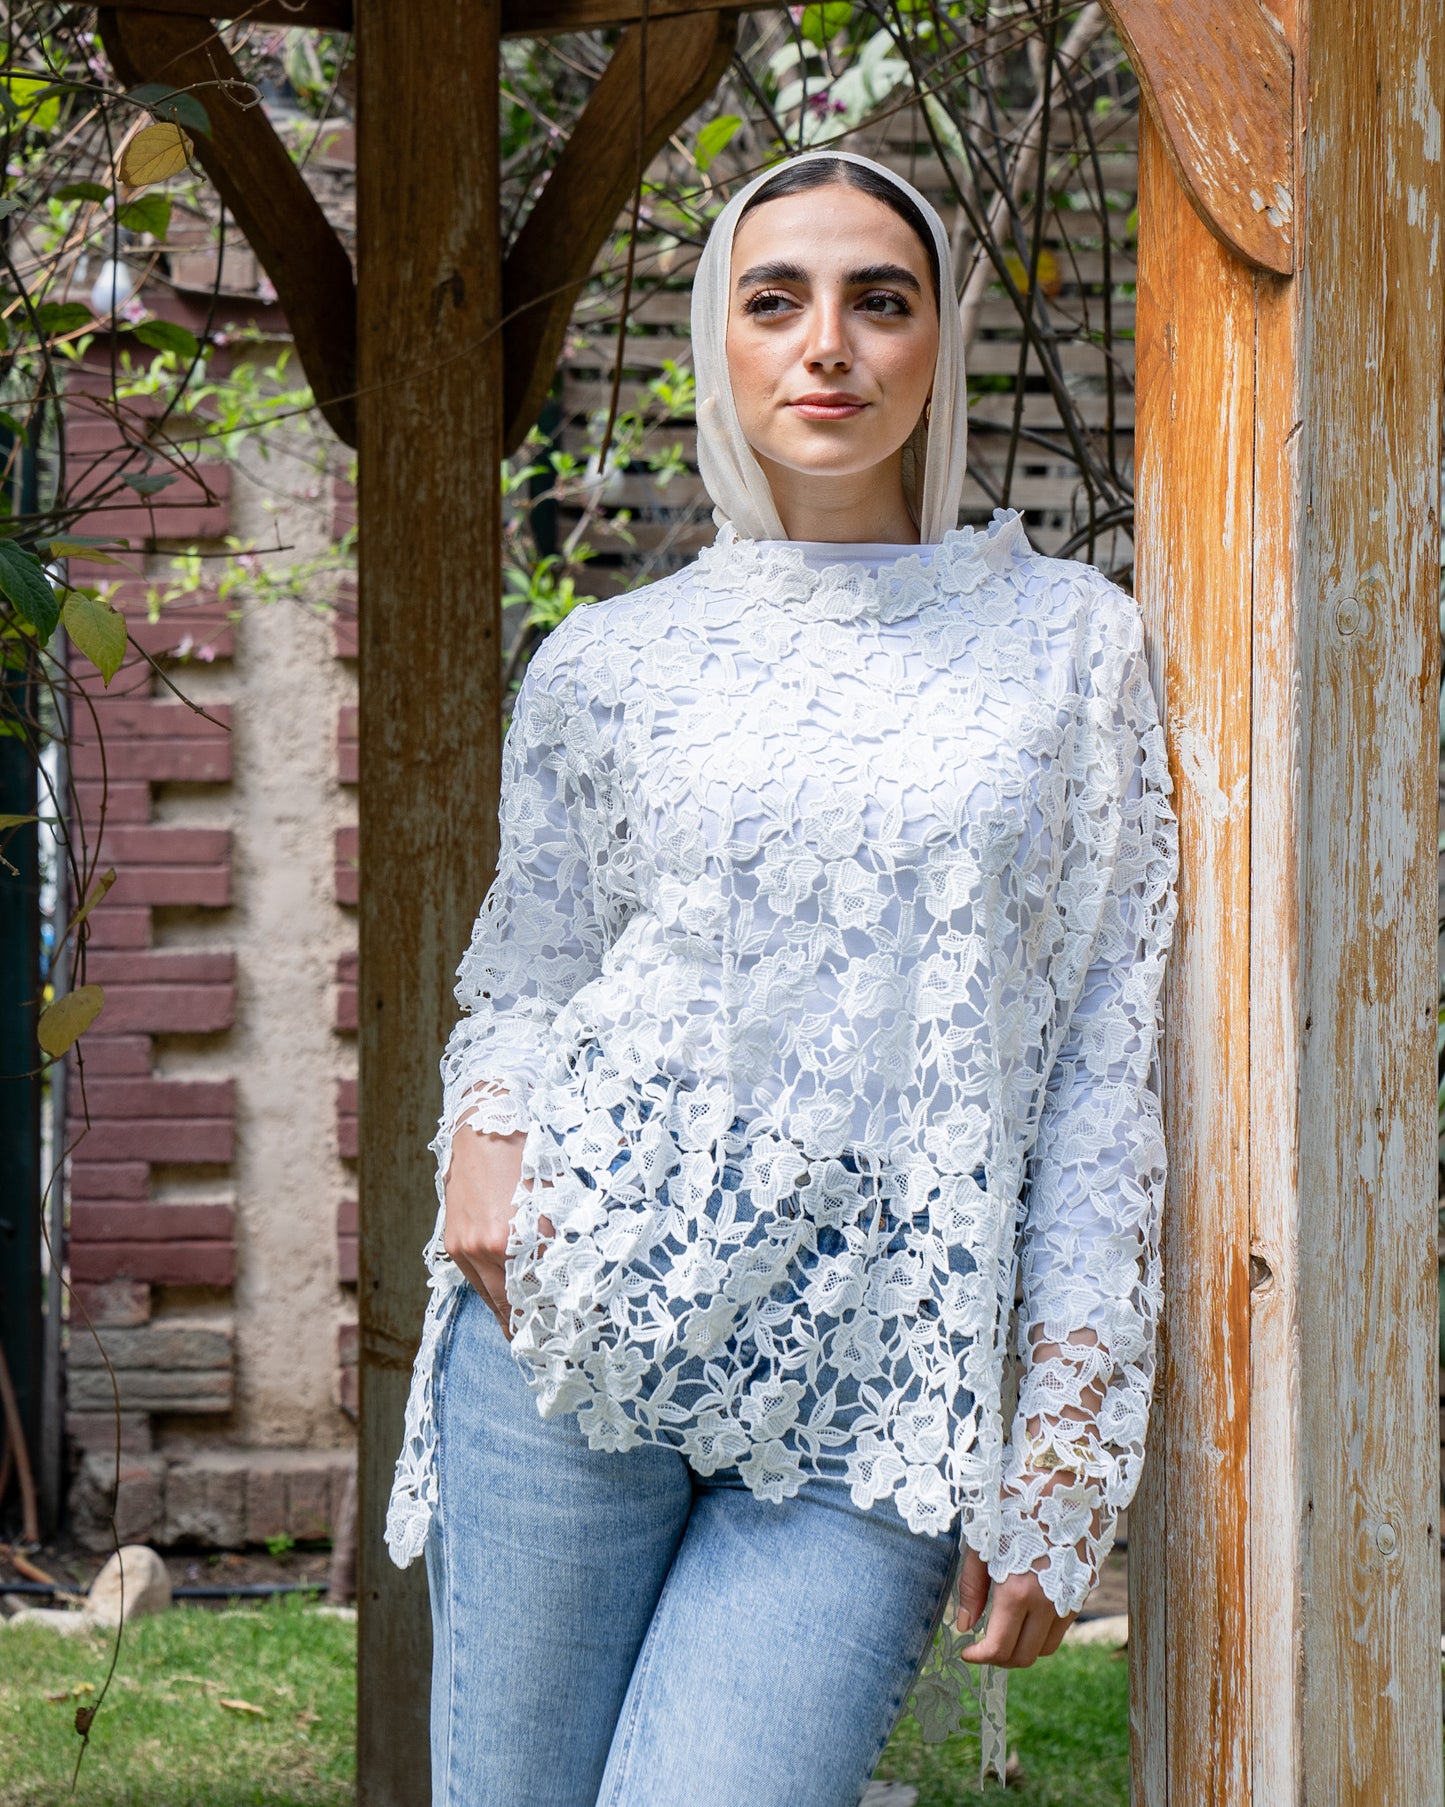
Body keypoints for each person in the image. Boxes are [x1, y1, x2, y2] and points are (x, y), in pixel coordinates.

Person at [386, 149, 1179, 1807]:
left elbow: (1105, 1058)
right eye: (776, 299)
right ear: (720, 345)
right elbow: (530, 963)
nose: (826, 343)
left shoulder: (1069, 647)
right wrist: (487, 1137)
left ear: (932, 343)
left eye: (876, 300)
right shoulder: (610, 661)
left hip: (876, 1394)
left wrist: (1069, 1435)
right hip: (573, 1329)